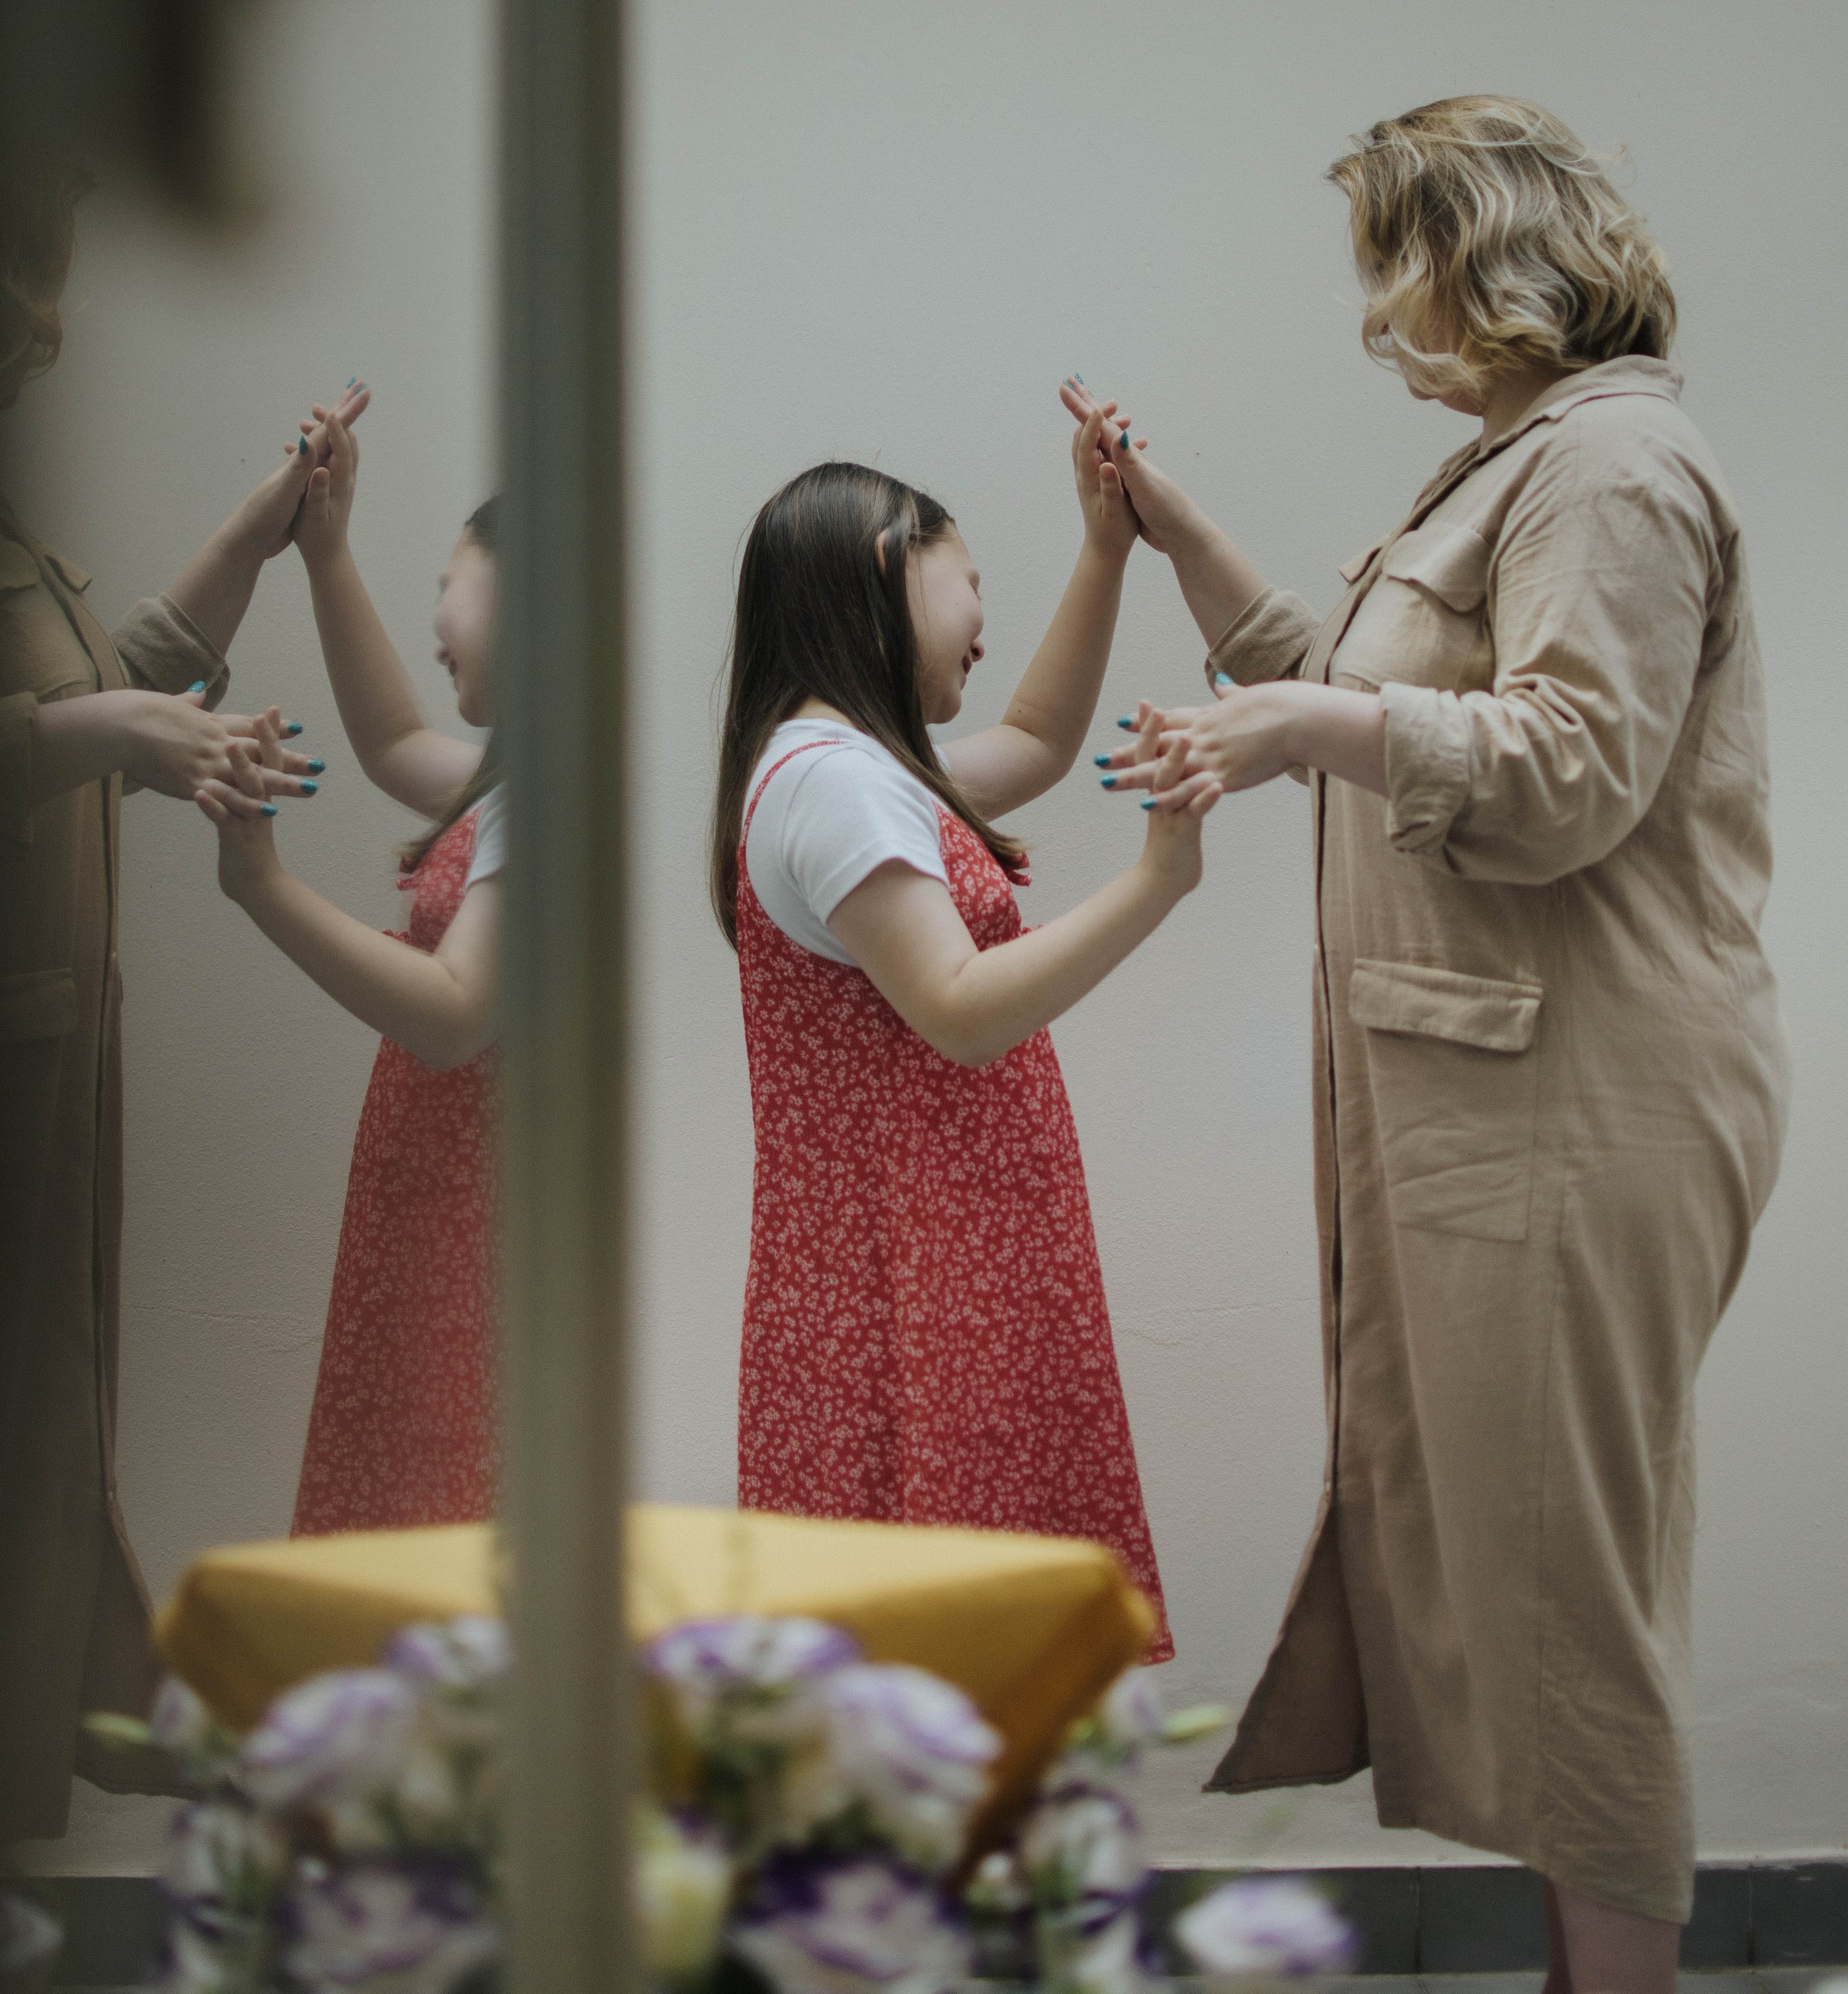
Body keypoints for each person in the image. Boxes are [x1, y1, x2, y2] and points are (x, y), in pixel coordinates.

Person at [1083, 97, 1789, 1994]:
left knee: (1567, 1590)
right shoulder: (1520, 461)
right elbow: (1367, 680)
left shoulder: (1607, 471)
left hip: (1581, 1096)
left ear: (1473, 259)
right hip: (1515, 1085)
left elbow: (1563, 773)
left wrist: (1295, 733)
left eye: (1388, 263)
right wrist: (1174, 536)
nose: (1375, 312)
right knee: (1526, 1568)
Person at [710, 406, 1220, 1651]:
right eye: (972, 581)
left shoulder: (852, 766)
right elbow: (959, 1011)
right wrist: (1158, 881)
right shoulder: (834, 783)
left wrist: (1104, 549)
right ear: (890, 565)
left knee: (951, 1652)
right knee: (948, 1652)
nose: (985, 618)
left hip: (937, 1273)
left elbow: (1039, 741)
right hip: (918, 1290)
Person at [0, 165, 343, 1838]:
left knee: (33, 1428)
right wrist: (111, 734)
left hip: (39, 1047)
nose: (41, 340)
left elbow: (106, 683)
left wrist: (264, 532)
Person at [194, 398, 504, 1532]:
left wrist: (262, 887)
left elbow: (454, 1015)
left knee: (435, 1506)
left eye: (450, 583)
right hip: (446, 1193)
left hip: (474, 1221)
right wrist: (326, 550)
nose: (436, 613)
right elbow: (388, 739)